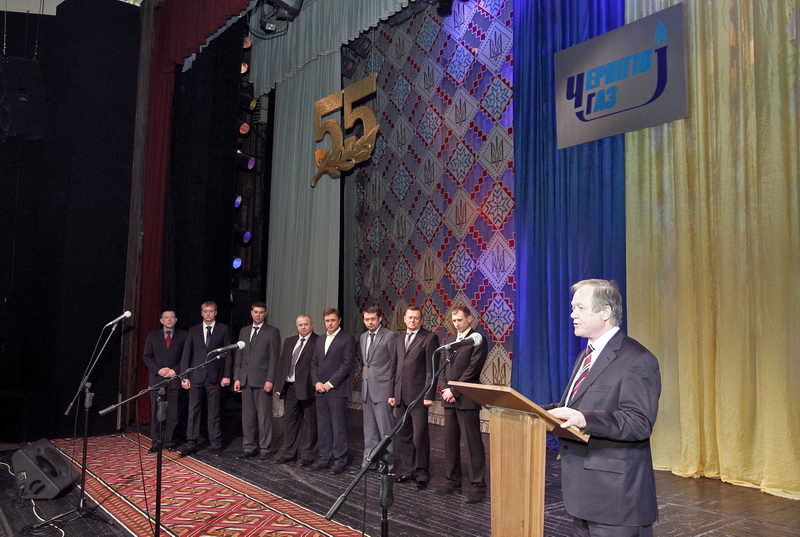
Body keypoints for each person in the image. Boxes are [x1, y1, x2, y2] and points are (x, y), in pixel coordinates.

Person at [547, 279, 661, 537]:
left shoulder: (638, 359)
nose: (572, 314)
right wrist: (529, 410)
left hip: (616, 501)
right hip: (583, 497)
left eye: (580, 308)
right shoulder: (586, 355)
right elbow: (570, 407)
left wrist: (584, 419)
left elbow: (638, 422)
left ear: (605, 312)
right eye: (572, 308)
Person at [438, 305, 488, 503]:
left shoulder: (477, 340)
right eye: (454, 320)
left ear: (469, 319)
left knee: (472, 443)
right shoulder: (449, 341)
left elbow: (473, 370)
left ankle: (478, 486)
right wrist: (445, 389)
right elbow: (442, 369)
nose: (456, 324)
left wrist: (454, 390)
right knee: (450, 441)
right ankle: (452, 481)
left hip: (467, 398)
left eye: (459, 320)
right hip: (448, 398)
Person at [391, 305, 439, 489]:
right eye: (410, 317)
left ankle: (421, 472)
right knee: (404, 434)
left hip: (419, 396)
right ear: (404, 318)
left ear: (421, 320)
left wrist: (429, 394)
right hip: (401, 395)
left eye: (416, 318)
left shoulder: (429, 338)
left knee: (420, 436)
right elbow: (395, 367)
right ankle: (407, 470)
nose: (412, 320)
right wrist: (392, 393)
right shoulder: (399, 338)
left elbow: (431, 370)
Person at [179, 301, 231, 455]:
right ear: (201, 313)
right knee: (193, 409)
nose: (208, 314)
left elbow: (228, 354)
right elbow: (186, 355)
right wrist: (184, 376)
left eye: (211, 311)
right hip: (196, 376)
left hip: (214, 377)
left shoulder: (223, 329)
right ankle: (191, 440)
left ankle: (215, 442)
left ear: (216, 312)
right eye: (205, 311)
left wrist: (227, 375)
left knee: (214, 411)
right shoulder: (193, 330)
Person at [310, 308, 356, 474]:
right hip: (320, 389)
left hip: (337, 389)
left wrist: (330, 383)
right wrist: (316, 382)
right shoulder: (320, 339)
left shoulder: (347, 338)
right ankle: (324, 458)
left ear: (339, 320)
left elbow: (347, 364)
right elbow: (314, 363)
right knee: (323, 425)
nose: (330, 323)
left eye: (333, 320)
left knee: (338, 426)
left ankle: (340, 460)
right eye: (327, 320)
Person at [233, 301, 281, 459]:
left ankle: (265, 448)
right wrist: (237, 377)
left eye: (261, 312)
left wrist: (270, 380)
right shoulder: (244, 331)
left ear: (265, 314)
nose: (258, 315)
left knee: (264, 416)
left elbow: (274, 358)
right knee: (247, 416)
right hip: (246, 379)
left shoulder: (272, 331)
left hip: (262, 381)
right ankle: (249, 447)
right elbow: (239, 356)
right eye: (256, 312)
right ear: (251, 313)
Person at [274, 314, 319, 466]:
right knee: (290, 422)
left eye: (306, 324)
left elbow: (317, 365)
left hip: (308, 387)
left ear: (311, 325)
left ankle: (307, 456)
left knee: (310, 423)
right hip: (290, 387)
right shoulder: (290, 341)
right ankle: (289, 454)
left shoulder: (318, 341)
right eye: (300, 325)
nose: (303, 327)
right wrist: (279, 386)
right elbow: (282, 364)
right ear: (297, 326)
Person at [142, 310, 187, 452]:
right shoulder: (153, 335)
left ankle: (169, 441)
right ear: (161, 320)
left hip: (174, 378)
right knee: (156, 410)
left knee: (173, 411)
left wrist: (176, 370)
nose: (169, 320)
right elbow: (146, 356)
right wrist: (158, 370)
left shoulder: (183, 336)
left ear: (176, 320)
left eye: (172, 317)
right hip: (157, 378)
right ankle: (155, 442)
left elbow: (186, 357)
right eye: (166, 317)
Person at [358, 305, 397, 468]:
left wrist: (392, 392)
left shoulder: (390, 336)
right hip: (367, 388)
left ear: (380, 318)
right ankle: (370, 460)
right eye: (366, 319)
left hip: (383, 389)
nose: (370, 322)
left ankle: (388, 463)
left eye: (373, 319)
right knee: (369, 428)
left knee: (385, 429)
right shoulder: (363, 337)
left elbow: (394, 364)